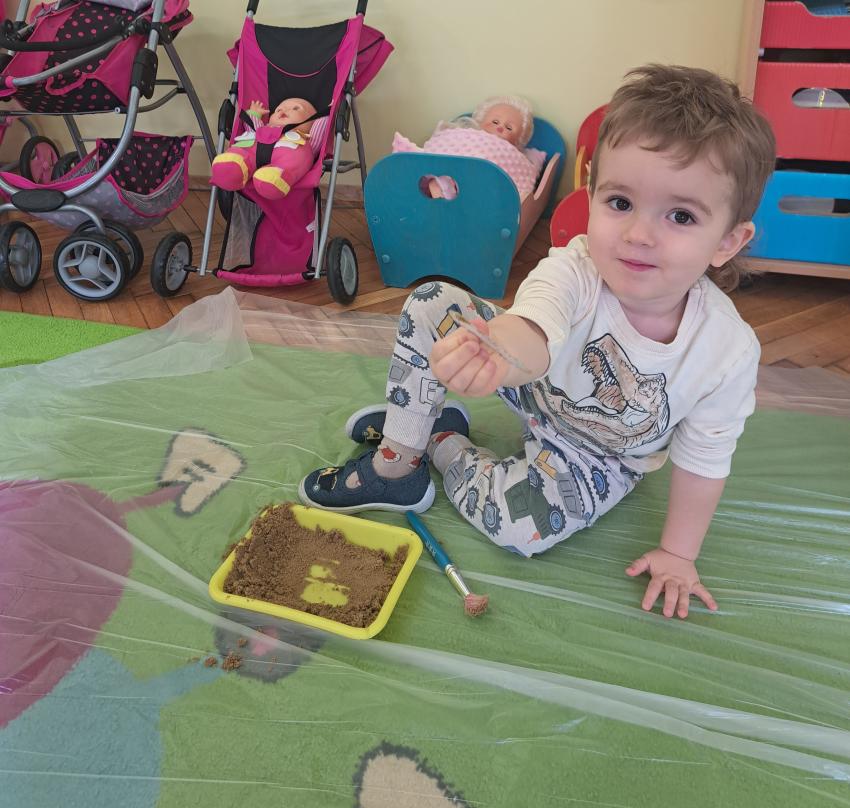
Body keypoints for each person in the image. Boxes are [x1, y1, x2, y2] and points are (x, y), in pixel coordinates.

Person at [299, 64, 776, 620]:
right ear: (591, 191)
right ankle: (398, 463)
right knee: (431, 301)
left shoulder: (727, 352)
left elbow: (704, 461)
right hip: (530, 383)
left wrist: (678, 554)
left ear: (728, 241)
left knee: (519, 528)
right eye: (620, 203)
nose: (639, 234)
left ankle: (439, 438)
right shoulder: (576, 267)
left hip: (599, 455)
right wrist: (493, 351)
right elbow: (534, 325)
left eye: (681, 215)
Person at [391, 95, 545, 199]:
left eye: (509, 128)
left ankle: (445, 188)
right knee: (440, 167)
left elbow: (512, 169)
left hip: (478, 182)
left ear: (517, 142)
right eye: (495, 122)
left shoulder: (510, 154)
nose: (500, 128)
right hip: (451, 167)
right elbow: (450, 144)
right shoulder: (467, 134)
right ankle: (423, 172)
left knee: (469, 180)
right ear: (480, 122)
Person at [209, 97, 325, 200]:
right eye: (278, 110)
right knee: (244, 148)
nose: (284, 110)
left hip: (287, 156)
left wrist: (325, 115)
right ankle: (233, 168)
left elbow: (320, 129)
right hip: (255, 148)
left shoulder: (307, 139)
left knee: (294, 161)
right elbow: (252, 126)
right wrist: (254, 114)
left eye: (295, 108)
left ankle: (277, 177)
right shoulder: (263, 129)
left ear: (311, 123)